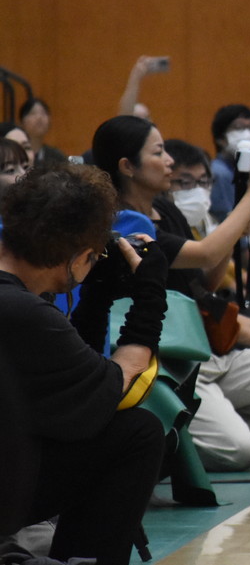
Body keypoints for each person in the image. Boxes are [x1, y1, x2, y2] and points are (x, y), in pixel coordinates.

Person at [91, 115, 250, 472]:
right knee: (239, 453)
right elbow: (205, 252)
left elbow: (205, 280)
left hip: (207, 352)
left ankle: (197, 436)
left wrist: (232, 226)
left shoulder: (167, 211)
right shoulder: (125, 224)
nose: (169, 161)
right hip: (168, 364)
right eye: (159, 152)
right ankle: (201, 442)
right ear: (127, 165)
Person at [0, 163, 167, 565]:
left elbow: (74, 386)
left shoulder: (17, 304)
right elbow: (112, 388)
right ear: (79, 256)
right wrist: (150, 299)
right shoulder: (24, 313)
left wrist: (96, 298)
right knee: (137, 433)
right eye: (93, 257)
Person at [209, 104, 250, 220]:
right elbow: (227, 219)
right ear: (221, 139)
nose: (247, 134)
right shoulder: (220, 173)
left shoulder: (244, 172)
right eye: (238, 128)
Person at [17, 98, 66, 165]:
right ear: (21, 122)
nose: (39, 117)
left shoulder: (56, 157)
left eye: (44, 113)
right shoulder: (15, 154)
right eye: (33, 113)